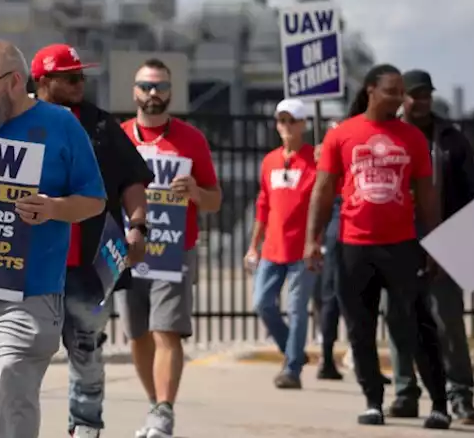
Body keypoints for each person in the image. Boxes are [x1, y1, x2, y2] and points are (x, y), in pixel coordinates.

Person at [0, 39, 107, 438]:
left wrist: (54, 208)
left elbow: (94, 201)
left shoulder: (61, 125)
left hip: (30, 295)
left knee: (15, 393)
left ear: (15, 82)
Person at [303, 63, 449, 429]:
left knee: (414, 325)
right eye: (392, 90)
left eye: (402, 91)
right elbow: (322, 191)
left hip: (401, 247)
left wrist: (434, 245)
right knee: (360, 328)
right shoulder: (342, 135)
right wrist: (312, 238)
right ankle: (373, 401)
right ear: (370, 90)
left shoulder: (412, 138)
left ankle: (440, 404)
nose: (400, 97)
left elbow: (427, 196)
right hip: (354, 248)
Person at [30, 43, 153, 438]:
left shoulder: (101, 126)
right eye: (70, 78)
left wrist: (138, 227)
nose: (80, 83)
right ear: (43, 81)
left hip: (88, 266)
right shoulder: (18, 121)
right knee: (24, 352)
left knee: (86, 348)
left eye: (82, 77)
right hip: (31, 264)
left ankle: (85, 427)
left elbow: (133, 179)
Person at [120, 58, 222, 438]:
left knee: (167, 331)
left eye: (160, 87)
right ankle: (154, 403)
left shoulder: (191, 139)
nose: (152, 93)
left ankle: (164, 410)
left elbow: (214, 200)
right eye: (146, 86)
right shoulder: (122, 137)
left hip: (173, 250)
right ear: (134, 91)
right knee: (137, 334)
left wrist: (195, 192)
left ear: (170, 92)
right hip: (130, 252)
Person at [388, 69, 474, 423]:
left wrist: (463, 241)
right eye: (415, 94)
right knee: (399, 319)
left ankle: (460, 395)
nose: (422, 100)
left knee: (448, 322)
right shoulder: (388, 134)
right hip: (397, 241)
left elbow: (471, 193)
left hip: (445, 242)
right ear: (402, 98)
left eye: (426, 93)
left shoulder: (451, 138)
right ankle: (405, 393)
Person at [244, 99, 319, 390]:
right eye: (281, 121)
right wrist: (253, 245)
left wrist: (318, 241)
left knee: (297, 309)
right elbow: (262, 206)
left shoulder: (316, 159)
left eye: (292, 121)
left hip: (303, 250)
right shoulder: (270, 161)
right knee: (262, 303)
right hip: (272, 249)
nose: (286, 126)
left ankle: (291, 369)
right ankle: (294, 352)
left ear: (303, 125)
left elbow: (326, 202)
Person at [313, 119, 345, 381]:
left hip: (341, 215)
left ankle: (329, 354)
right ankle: (326, 354)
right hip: (338, 215)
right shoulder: (327, 156)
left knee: (333, 295)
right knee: (331, 295)